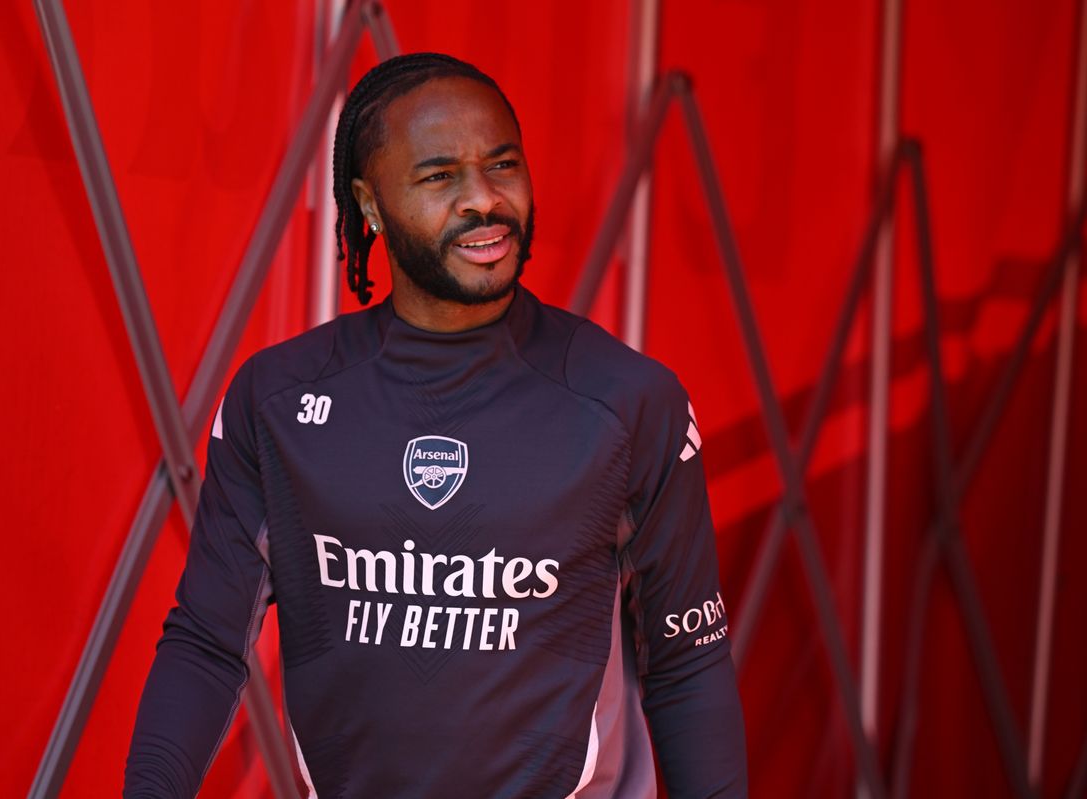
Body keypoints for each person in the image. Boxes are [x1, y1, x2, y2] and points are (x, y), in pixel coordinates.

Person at [124, 52, 746, 798]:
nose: (483, 199)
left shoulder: (628, 401)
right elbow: (206, 641)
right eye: (440, 176)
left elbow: (687, 661)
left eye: (503, 164)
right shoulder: (278, 400)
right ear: (370, 204)